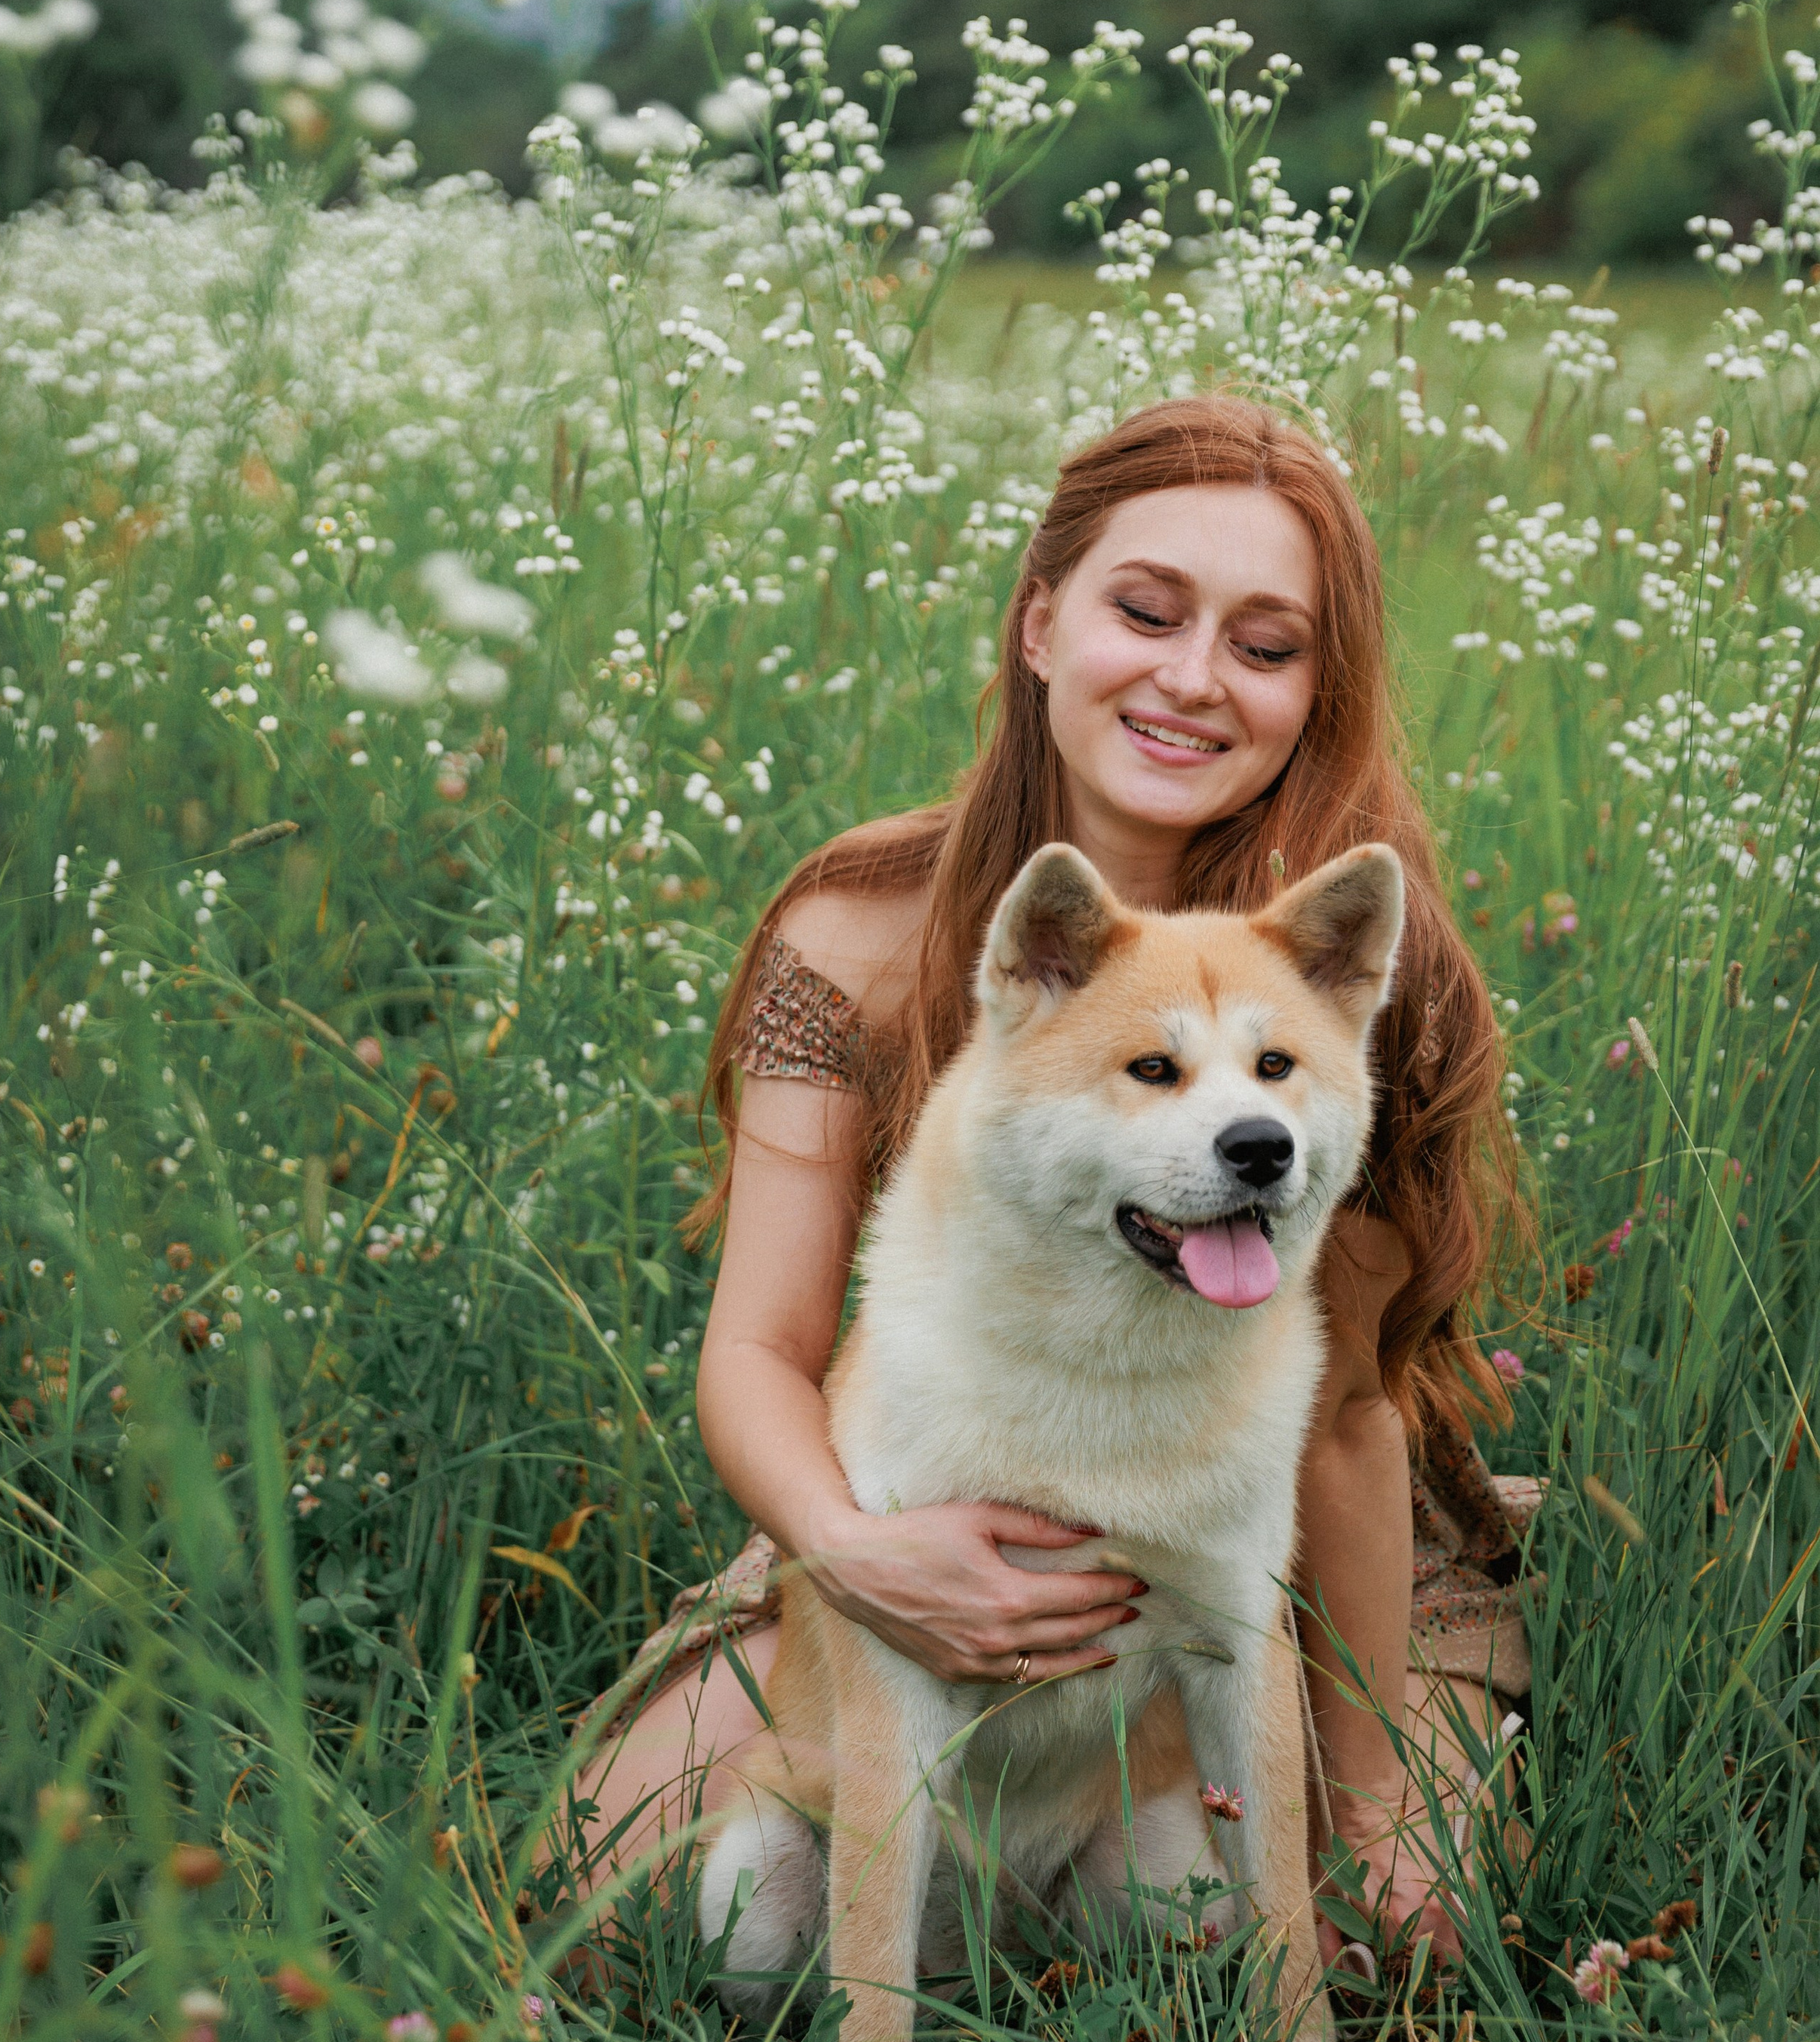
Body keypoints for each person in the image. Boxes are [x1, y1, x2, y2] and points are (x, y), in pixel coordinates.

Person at [576, 394, 1536, 1961]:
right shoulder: (853, 931)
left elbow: (1349, 1413)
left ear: (1313, 693)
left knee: (1359, 1946)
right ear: (1039, 622)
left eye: (1265, 645)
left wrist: (1371, 1814)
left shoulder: (1337, 966)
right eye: (1143, 611)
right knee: (603, 1885)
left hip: (1259, 1517)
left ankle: (1409, 1724)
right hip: (938, 1482)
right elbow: (757, 1346)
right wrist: (850, 1547)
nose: (1189, 678)